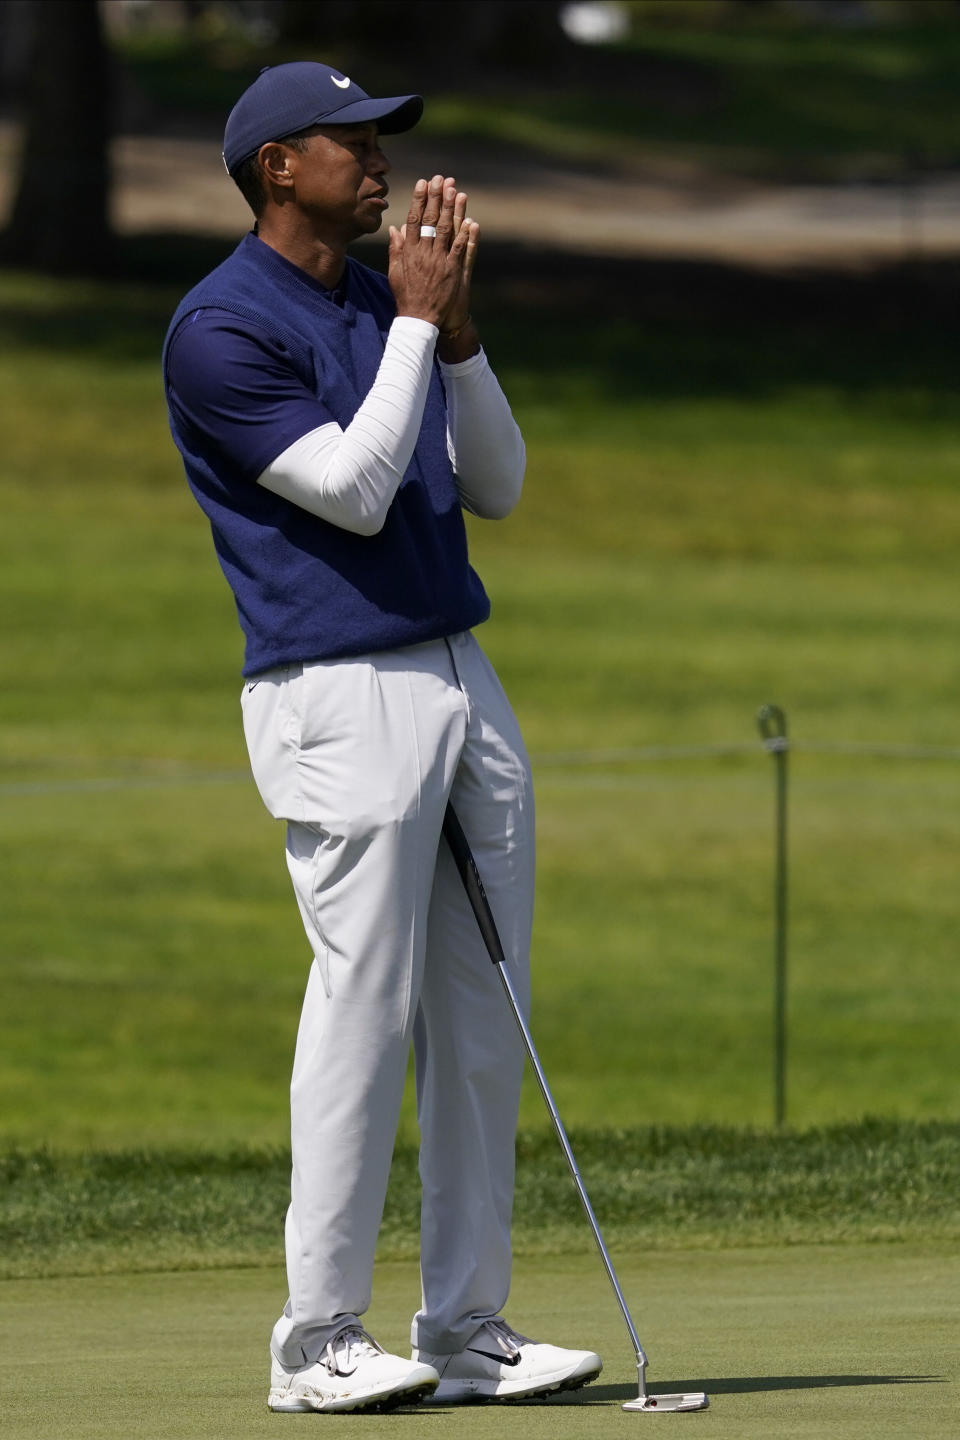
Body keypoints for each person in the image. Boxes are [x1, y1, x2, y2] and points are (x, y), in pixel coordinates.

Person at [163, 60, 602, 1415]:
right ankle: (318, 1345)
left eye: (378, 142)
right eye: (349, 143)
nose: (378, 162)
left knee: (485, 1013)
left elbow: (507, 487)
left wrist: (454, 334)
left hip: (460, 670)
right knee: (364, 1005)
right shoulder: (219, 329)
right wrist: (416, 325)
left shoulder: (384, 303)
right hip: (333, 690)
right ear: (274, 167)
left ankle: (466, 1325)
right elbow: (351, 494)